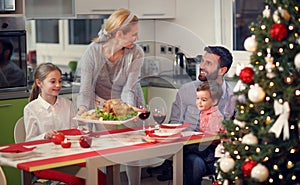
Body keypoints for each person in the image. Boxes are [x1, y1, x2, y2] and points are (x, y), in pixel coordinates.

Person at [75, 8, 146, 185]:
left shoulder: (136, 53)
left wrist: (128, 110)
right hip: (102, 107)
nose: (137, 39)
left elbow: (128, 89)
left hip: (129, 103)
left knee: (133, 152)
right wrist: (83, 111)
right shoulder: (92, 52)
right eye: (134, 34)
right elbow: (86, 89)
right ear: (119, 34)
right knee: (106, 153)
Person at [149, 46, 236, 184]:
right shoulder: (187, 91)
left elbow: (236, 130)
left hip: (219, 150)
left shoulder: (232, 98)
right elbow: (173, 124)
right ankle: (170, 166)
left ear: (222, 70)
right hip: (190, 149)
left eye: (209, 63)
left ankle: (168, 167)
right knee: (194, 163)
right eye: (203, 61)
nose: (201, 66)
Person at [23, 63, 85, 185]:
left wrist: (82, 130)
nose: (58, 85)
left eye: (60, 81)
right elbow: (28, 142)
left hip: (68, 158)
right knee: (75, 181)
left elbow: (74, 132)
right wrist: (45, 136)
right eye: (53, 81)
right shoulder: (31, 109)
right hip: (43, 162)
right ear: (39, 83)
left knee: (100, 177)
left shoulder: (67, 104)